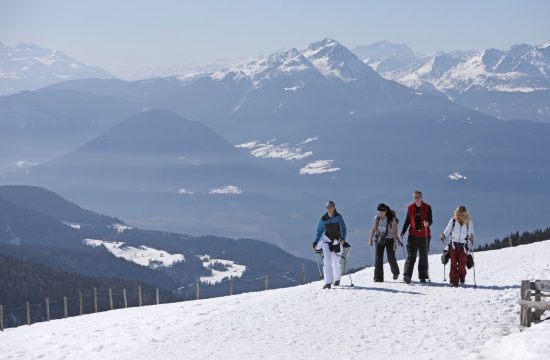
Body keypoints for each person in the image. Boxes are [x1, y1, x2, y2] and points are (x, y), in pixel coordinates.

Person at [400, 190, 433, 284]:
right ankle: (407, 276)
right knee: (411, 256)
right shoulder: (410, 208)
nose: (417, 199)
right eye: (415, 197)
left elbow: (431, 220)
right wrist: (402, 232)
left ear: (422, 197)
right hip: (413, 235)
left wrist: (428, 223)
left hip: (424, 235)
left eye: (418, 197)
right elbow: (407, 221)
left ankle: (422, 276)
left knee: (423, 256)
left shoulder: (428, 207)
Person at [313, 200, 347, 289]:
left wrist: (343, 238)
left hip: (337, 241)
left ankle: (337, 279)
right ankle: (328, 282)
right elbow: (319, 231)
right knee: (326, 261)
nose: (329, 209)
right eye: (328, 207)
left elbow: (343, 228)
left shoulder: (338, 217)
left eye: (331, 207)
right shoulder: (323, 218)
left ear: (334, 207)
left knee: (336, 261)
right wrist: (316, 242)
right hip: (326, 241)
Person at [440, 206, 475, 287]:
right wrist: (444, 235)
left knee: (462, 265)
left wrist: (471, 237)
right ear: (457, 213)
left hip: (463, 245)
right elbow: (448, 229)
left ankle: (462, 278)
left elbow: (471, 232)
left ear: (466, 214)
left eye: (463, 214)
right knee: (453, 264)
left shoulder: (469, 222)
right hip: (453, 245)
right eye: (459, 214)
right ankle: (454, 281)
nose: (461, 216)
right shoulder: (453, 220)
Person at [369, 203, 400, 282]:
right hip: (379, 239)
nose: (380, 213)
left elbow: (395, 231)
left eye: (382, 211)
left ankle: (395, 272)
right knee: (378, 258)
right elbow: (373, 229)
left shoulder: (391, 218)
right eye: (379, 211)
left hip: (390, 239)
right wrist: (371, 239)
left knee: (391, 258)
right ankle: (378, 277)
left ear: (386, 211)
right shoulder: (377, 218)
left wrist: (395, 243)